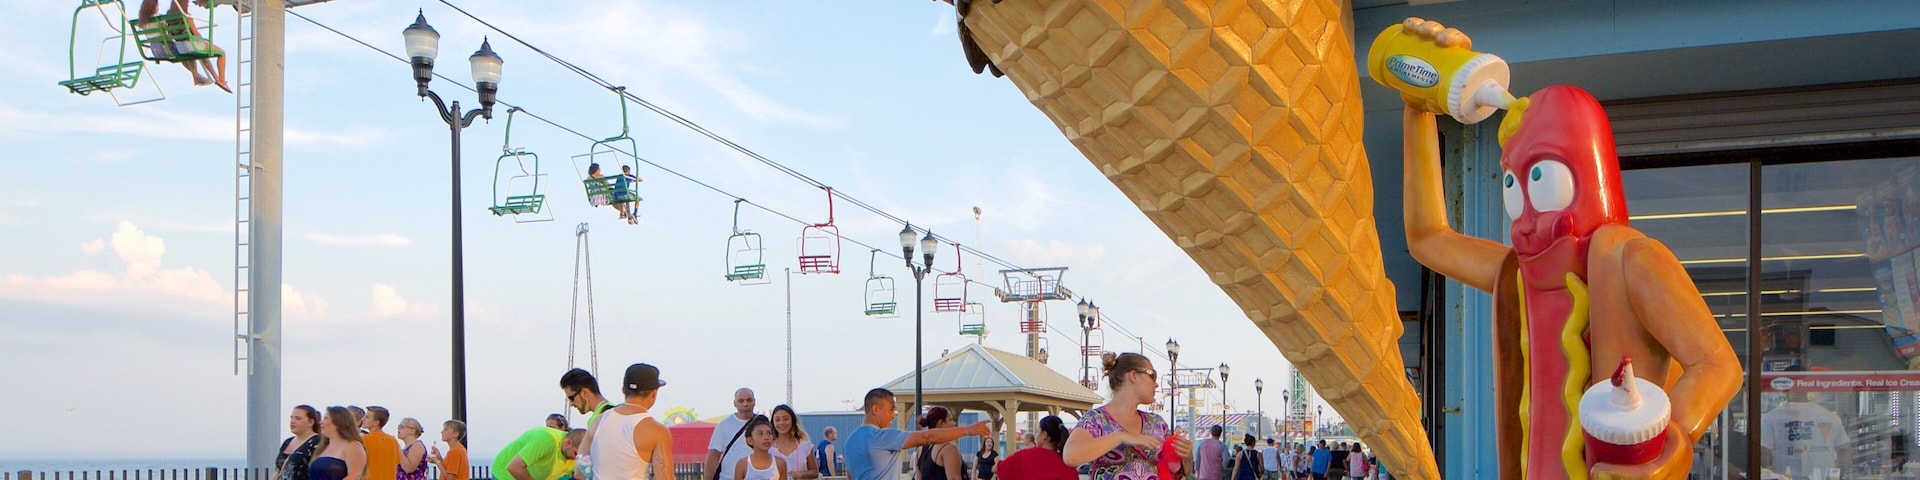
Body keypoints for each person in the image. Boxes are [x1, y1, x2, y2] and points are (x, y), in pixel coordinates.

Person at [1063, 352, 1193, 480]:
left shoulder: (1157, 422)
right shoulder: (1095, 419)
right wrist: (1121, 437)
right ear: (1133, 376)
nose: (1156, 384)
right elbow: (1071, 456)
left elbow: (1175, 472)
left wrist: (1186, 458)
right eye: (1152, 375)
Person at [842, 388, 992, 480]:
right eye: (891, 409)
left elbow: (850, 476)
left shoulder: (849, 443)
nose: (893, 415)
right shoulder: (882, 437)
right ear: (875, 409)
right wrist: (967, 430)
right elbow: (927, 437)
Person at [593, 363, 675, 480]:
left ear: (623, 390)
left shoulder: (598, 421)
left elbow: (580, 472)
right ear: (654, 393)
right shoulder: (657, 431)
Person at [134, 0, 228, 92]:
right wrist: (202, 40)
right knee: (218, 52)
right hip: (171, 48)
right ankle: (219, 79)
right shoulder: (182, 16)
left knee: (191, 53)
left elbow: (169, 33)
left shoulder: (144, 21)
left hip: (160, 50)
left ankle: (199, 76)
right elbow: (196, 35)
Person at [561, 367, 618, 480]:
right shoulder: (612, 411)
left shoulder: (601, 417)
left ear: (584, 392)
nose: (571, 404)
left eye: (571, 398)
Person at [994, 415, 1075, 480]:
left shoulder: (1024, 456)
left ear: (1044, 435)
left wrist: (997, 462)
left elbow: (997, 469)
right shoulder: (1069, 466)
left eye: (1037, 432)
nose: (1036, 436)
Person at [495, 425, 587, 480]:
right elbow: (514, 467)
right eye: (575, 454)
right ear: (568, 443)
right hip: (506, 473)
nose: (576, 460)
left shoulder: (576, 454)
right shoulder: (545, 441)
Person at [312, 406, 366, 480]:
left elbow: (355, 475)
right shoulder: (324, 446)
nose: (321, 422)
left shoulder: (352, 445)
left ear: (338, 422)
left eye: (326, 418)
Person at [915, 407, 967, 480]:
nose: (954, 424)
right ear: (941, 423)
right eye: (951, 420)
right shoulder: (948, 449)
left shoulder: (920, 450)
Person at [770, 405, 818, 480]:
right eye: (777, 420)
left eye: (785, 419)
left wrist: (801, 475)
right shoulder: (768, 447)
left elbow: (815, 472)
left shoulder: (805, 444)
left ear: (793, 420)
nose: (781, 423)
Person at [276, 405, 324, 480]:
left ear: (310, 422)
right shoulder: (287, 442)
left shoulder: (317, 442)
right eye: (291, 418)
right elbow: (278, 471)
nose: (293, 421)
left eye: (298, 418)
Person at [735, 415, 790, 480]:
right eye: (760, 434)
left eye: (769, 433)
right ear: (750, 440)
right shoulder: (742, 464)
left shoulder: (780, 463)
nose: (766, 437)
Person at [362, 406, 402, 480]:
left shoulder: (364, 439)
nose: (362, 419)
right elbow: (397, 462)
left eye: (367, 417)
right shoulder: (393, 441)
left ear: (376, 422)